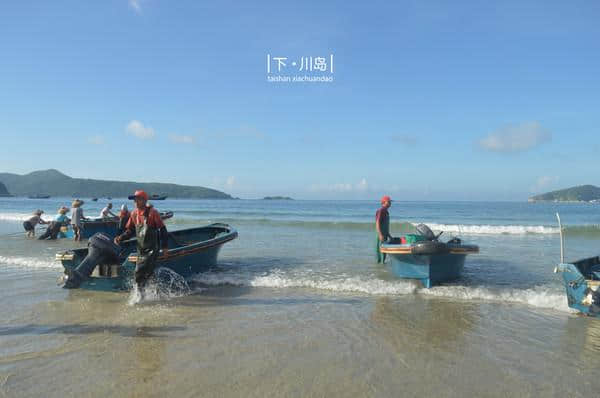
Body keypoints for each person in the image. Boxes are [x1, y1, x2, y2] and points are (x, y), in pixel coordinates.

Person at [114, 190, 169, 296]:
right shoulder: (133, 214)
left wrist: (165, 247)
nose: (135, 202)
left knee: (138, 272)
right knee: (149, 273)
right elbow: (130, 231)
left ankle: (139, 297)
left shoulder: (153, 212)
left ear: (144, 200)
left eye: (138, 199)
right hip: (141, 249)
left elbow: (162, 229)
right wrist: (120, 238)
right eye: (134, 200)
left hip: (153, 249)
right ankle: (155, 293)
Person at [375, 195, 392, 263]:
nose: (390, 203)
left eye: (390, 202)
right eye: (388, 202)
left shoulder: (386, 212)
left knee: (384, 253)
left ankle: (382, 268)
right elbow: (377, 223)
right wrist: (380, 235)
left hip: (385, 235)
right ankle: (379, 269)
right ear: (383, 202)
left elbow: (385, 226)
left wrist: (389, 235)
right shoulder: (380, 211)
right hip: (380, 235)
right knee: (380, 253)